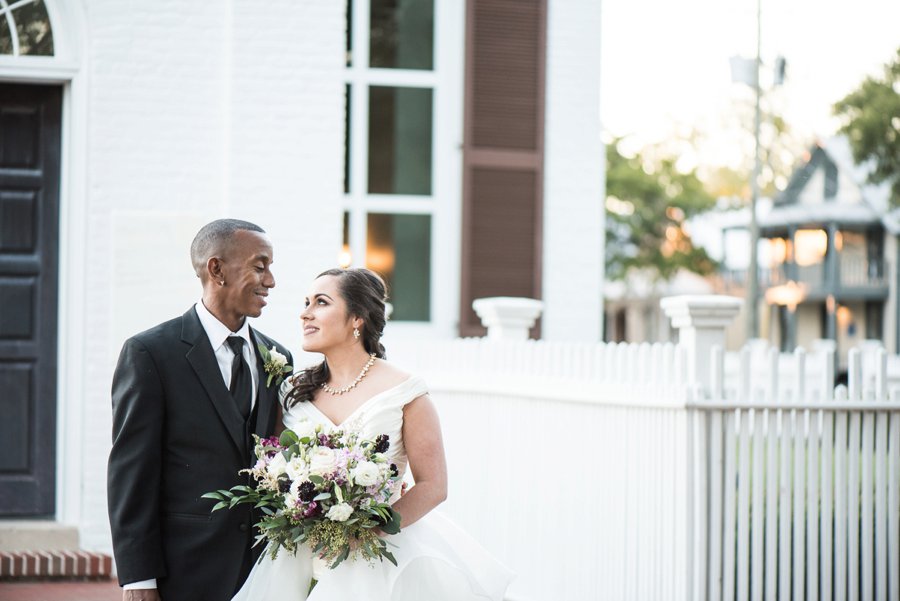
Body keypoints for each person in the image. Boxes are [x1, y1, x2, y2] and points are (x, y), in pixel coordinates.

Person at [233, 267, 513, 601]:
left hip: (378, 554)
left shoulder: (405, 391)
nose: (305, 313)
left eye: (320, 302)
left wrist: (367, 531)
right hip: (301, 552)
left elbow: (433, 486)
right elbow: (275, 468)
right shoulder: (293, 389)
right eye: (306, 302)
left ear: (357, 319)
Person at [107, 219, 294, 601]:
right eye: (260, 266)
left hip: (264, 569)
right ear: (217, 269)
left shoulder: (278, 357)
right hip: (183, 570)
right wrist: (138, 577)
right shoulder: (151, 353)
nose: (271, 281)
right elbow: (132, 471)